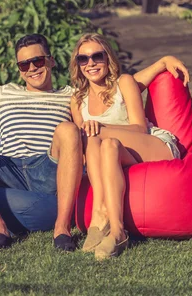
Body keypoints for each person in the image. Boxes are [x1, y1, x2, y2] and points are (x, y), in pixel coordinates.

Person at [0, 33, 189, 252]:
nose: (32, 68)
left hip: (47, 167)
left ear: (51, 61)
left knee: (71, 130)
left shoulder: (71, 94)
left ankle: (63, 229)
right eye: (24, 64)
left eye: (37, 61)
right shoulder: (7, 93)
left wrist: (161, 63)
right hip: (7, 167)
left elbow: (123, 85)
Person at [69, 33, 184, 260]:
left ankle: (98, 216)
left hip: (150, 145)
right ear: (78, 64)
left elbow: (140, 128)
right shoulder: (77, 99)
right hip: (114, 151)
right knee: (105, 143)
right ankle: (117, 230)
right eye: (83, 59)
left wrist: (102, 125)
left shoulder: (124, 82)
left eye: (96, 56)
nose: (90, 64)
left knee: (96, 134)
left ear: (108, 57)